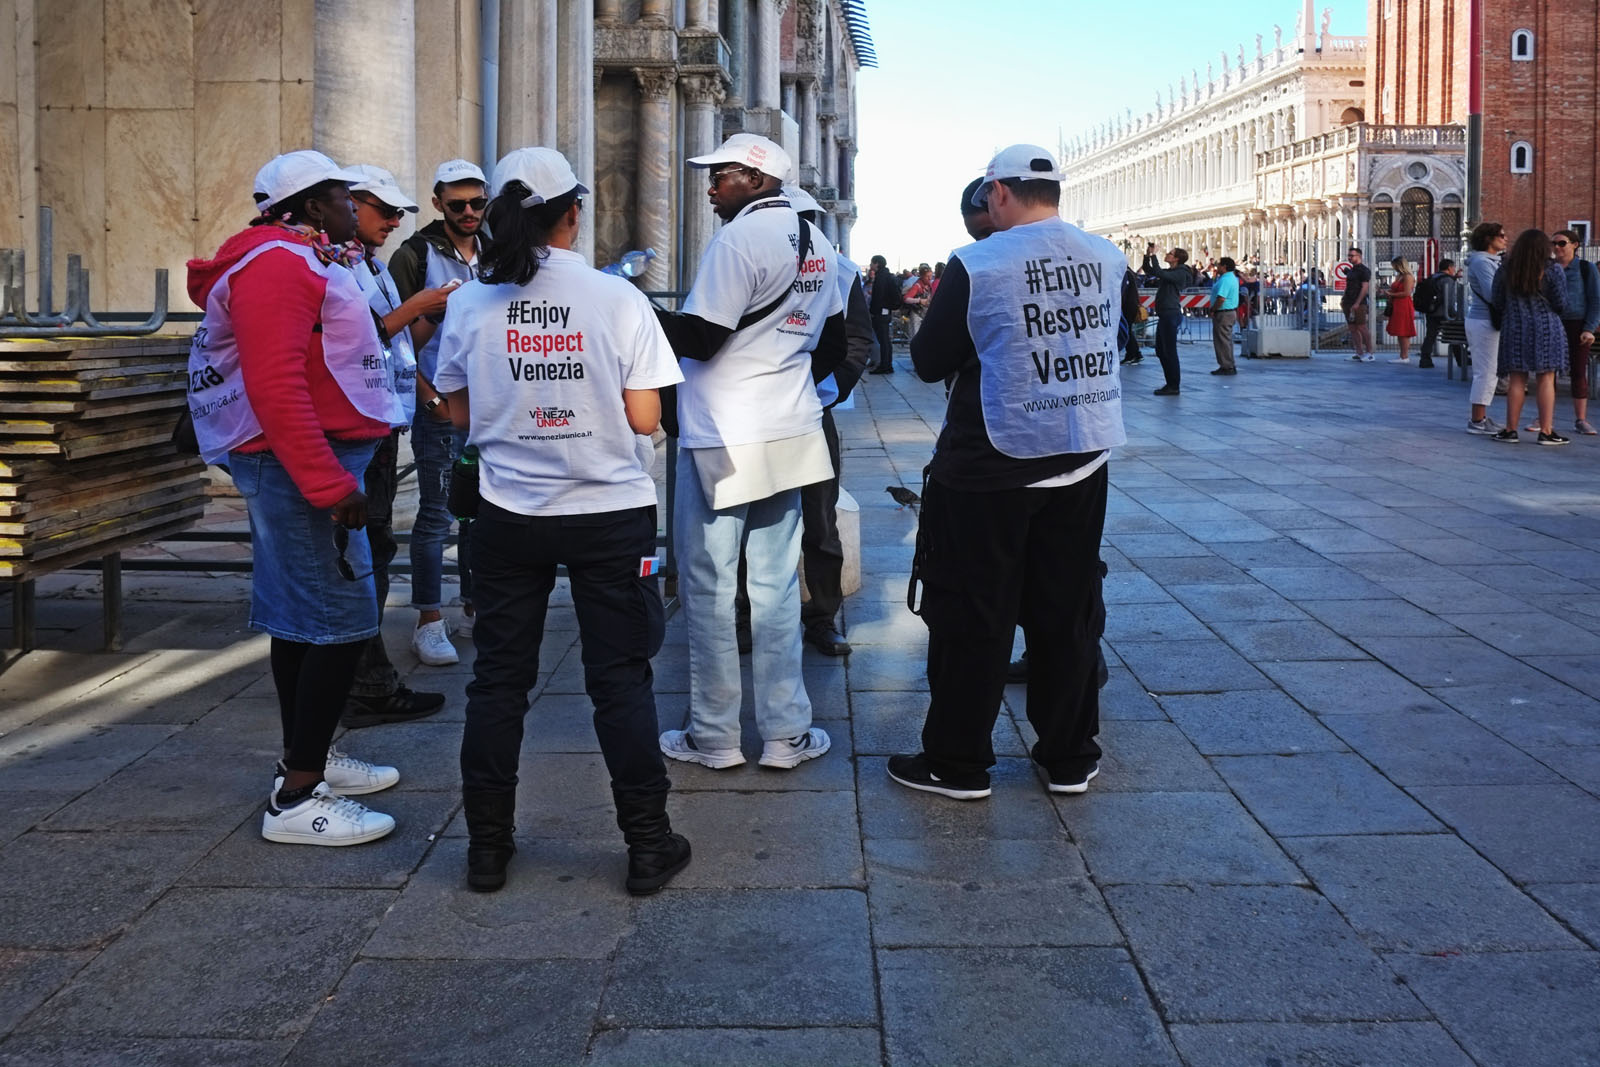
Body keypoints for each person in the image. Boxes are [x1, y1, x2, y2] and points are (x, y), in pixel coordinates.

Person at [434, 147, 690, 895]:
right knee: (620, 678)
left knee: (498, 681)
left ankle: (487, 847)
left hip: (509, 513)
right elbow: (646, 415)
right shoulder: (617, 299)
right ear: (573, 214)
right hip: (610, 510)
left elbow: (456, 411)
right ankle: (647, 842)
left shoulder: (469, 303)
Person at [186, 150, 408, 846]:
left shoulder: (298, 256)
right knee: (340, 622)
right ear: (312, 205)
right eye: (345, 194)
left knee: (300, 620)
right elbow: (275, 384)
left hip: (302, 465)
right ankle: (298, 796)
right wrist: (331, 483)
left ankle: (307, 759)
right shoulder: (278, 263)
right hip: (300, 471)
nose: (356, 204)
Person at [894, 144, 1124, 801]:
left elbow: (931, 358)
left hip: (992, 465)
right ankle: (1070, 756)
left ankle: (958, 762)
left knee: (972, 612)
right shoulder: (1106, 257)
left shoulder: (978, 262)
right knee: (1067, 610)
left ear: (998, 193)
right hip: (1082, 459)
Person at [652, 133, 846, 771]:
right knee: (776, 585)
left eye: (724, 175)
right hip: (790, 428)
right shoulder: (821, 243)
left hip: (724, 433)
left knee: (708, 587)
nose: (711, 186)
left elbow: (704, 338)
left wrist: (635, 309)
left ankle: (715, 735)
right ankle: (787, 733)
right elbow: (833, 345)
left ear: (759, 180)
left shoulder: (739, 239)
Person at [340, 164, 451, 729]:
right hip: (354, 428)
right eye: (382, 210)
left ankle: (369, 674)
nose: (393, 220)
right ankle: (363, 681)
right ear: (344, 203)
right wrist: (414, 308)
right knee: (359, 553)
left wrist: (433, 314)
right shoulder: (332, 264)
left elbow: (400, 342)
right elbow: (355, 340)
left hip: (384, 424)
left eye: (398, 212)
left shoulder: (372, 265)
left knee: (377, 546)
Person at [390, 158, 490, 667]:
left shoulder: (494, 251)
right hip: (440, 403)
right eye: (458, 205)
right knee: (436, 514)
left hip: (489, 404)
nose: (470, 212)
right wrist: (429, 399)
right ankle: (429, 619)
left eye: (478, 202)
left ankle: (476, 607)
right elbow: (397, 340)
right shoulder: (415, 254)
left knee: (481, 513)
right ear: (437, 204)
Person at [788, 185, 875, 657]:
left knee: (819, 519)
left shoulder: (840, 271)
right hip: (754, 414)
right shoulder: (746, 263)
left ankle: (822, 615)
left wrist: (828, 388)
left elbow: (857, 340)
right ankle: (745, 614)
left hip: (811, 410)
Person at [1490, 228, 1572, 445]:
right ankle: (1546, 431)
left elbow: (1497, 301)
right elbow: (1562, 303)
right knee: (1546, 378)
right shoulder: (1552, 269)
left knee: (1517, 379)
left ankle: (1510, 430)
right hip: (1547, 327)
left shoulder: (1506, 268)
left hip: (1515, 326)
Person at [1549, 229, 1600, 435]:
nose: (1557, 248)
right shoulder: (1548, 268)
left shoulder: (1586, 269)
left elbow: (1596, 301)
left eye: (1562, 243)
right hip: (1552, 323)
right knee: (1547, 371)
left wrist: (1589, 328)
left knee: (1578, 372)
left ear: (1575, 245)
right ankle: (1544, 417)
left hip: (1577, 324)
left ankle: (1581, 419)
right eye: (1554, 244)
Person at [1463, 223, 1508, 434]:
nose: (1505, 238)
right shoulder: (1482, 261)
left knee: (1490, 371)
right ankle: (1477, 419)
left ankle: (1481, 416)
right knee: (1486, 372)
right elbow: (1492, 293)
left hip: (1486, 320)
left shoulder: (1491, 261)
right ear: (1488, 239)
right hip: (1484, 320)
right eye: (1501, 235)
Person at [1147, 246, 1192, 395]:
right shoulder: (1172, 272)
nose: (1167, 254)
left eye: (1170, 254)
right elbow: (1151, 271)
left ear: (1176, 258)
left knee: (1170, 351)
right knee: (1161, 350)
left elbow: (1159, 272)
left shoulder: (1180, 273)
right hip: (1164, 314)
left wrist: (1154, 256)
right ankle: (1170, 383)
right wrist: (1148, 255)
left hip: (1170, 314)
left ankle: (1174, 385)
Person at [1414, 258, 1459, 370]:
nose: (1454, 269)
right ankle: (1461, 359)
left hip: (1431, 311)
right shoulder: (1448, 280)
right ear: (1449, 268)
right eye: (1453, 267)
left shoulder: (1433, 277)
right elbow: (1448, 299)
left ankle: (1425, 359)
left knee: (1430, 336)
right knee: (1455, 336)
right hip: (1444, 313)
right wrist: (1454, 314)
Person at [867, 254, 903, 373]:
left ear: (877, 263)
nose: (870, 265)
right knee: (886, 340)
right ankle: (887, 364)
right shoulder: (887, 275)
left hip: (880, 313)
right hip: (886, 312)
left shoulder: (881, 277)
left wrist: (873, 311)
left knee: (883, 340)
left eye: (872, 263)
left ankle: (885, 365)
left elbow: (878, 297)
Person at [1342, 247, 1374, 362]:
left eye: (1352, 255)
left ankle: (1370, 352)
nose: (1349, 257)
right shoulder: (1352, 270)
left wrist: (1357, 302)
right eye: (1349, 255)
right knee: (1352, 328)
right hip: (1348, 302)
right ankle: (1359, 352)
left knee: (1361, 327)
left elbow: (1365, 288)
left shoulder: (1364, 271)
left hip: (1358, 303)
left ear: (1359, 256)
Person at [1209, 256, 1239, 375]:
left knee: (1222, 340)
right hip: (1228, 312)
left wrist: (1213, 309)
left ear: (1224, 267)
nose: (1217, 267)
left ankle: (1226, 365)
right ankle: (1228, 364)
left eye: (1219, 265)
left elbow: (1221, 298)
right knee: (1225, 339)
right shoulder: (1230, 278)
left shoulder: (1226, 280)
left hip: (1223, 312)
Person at [1386, 257, 1418, 363]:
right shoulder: (1400, 276)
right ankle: (1402, 355)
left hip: (1404, 305)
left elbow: (1406, 293)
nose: (1394, 268)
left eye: (1395, 265)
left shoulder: (1408, 277)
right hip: (1397, 304)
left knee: (1403, 331)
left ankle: (1404, 356)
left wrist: (1391, 294)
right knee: (1400, 331)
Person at [904, 264, 935, 339]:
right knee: (915, 337)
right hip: (916, 314)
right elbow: (906, 299)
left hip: (925, 313)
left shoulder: (929, 285)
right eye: (927, 276)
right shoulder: (917, 285)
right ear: (921, 276)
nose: (930, 278)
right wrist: (919, 300)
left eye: (931, 276)